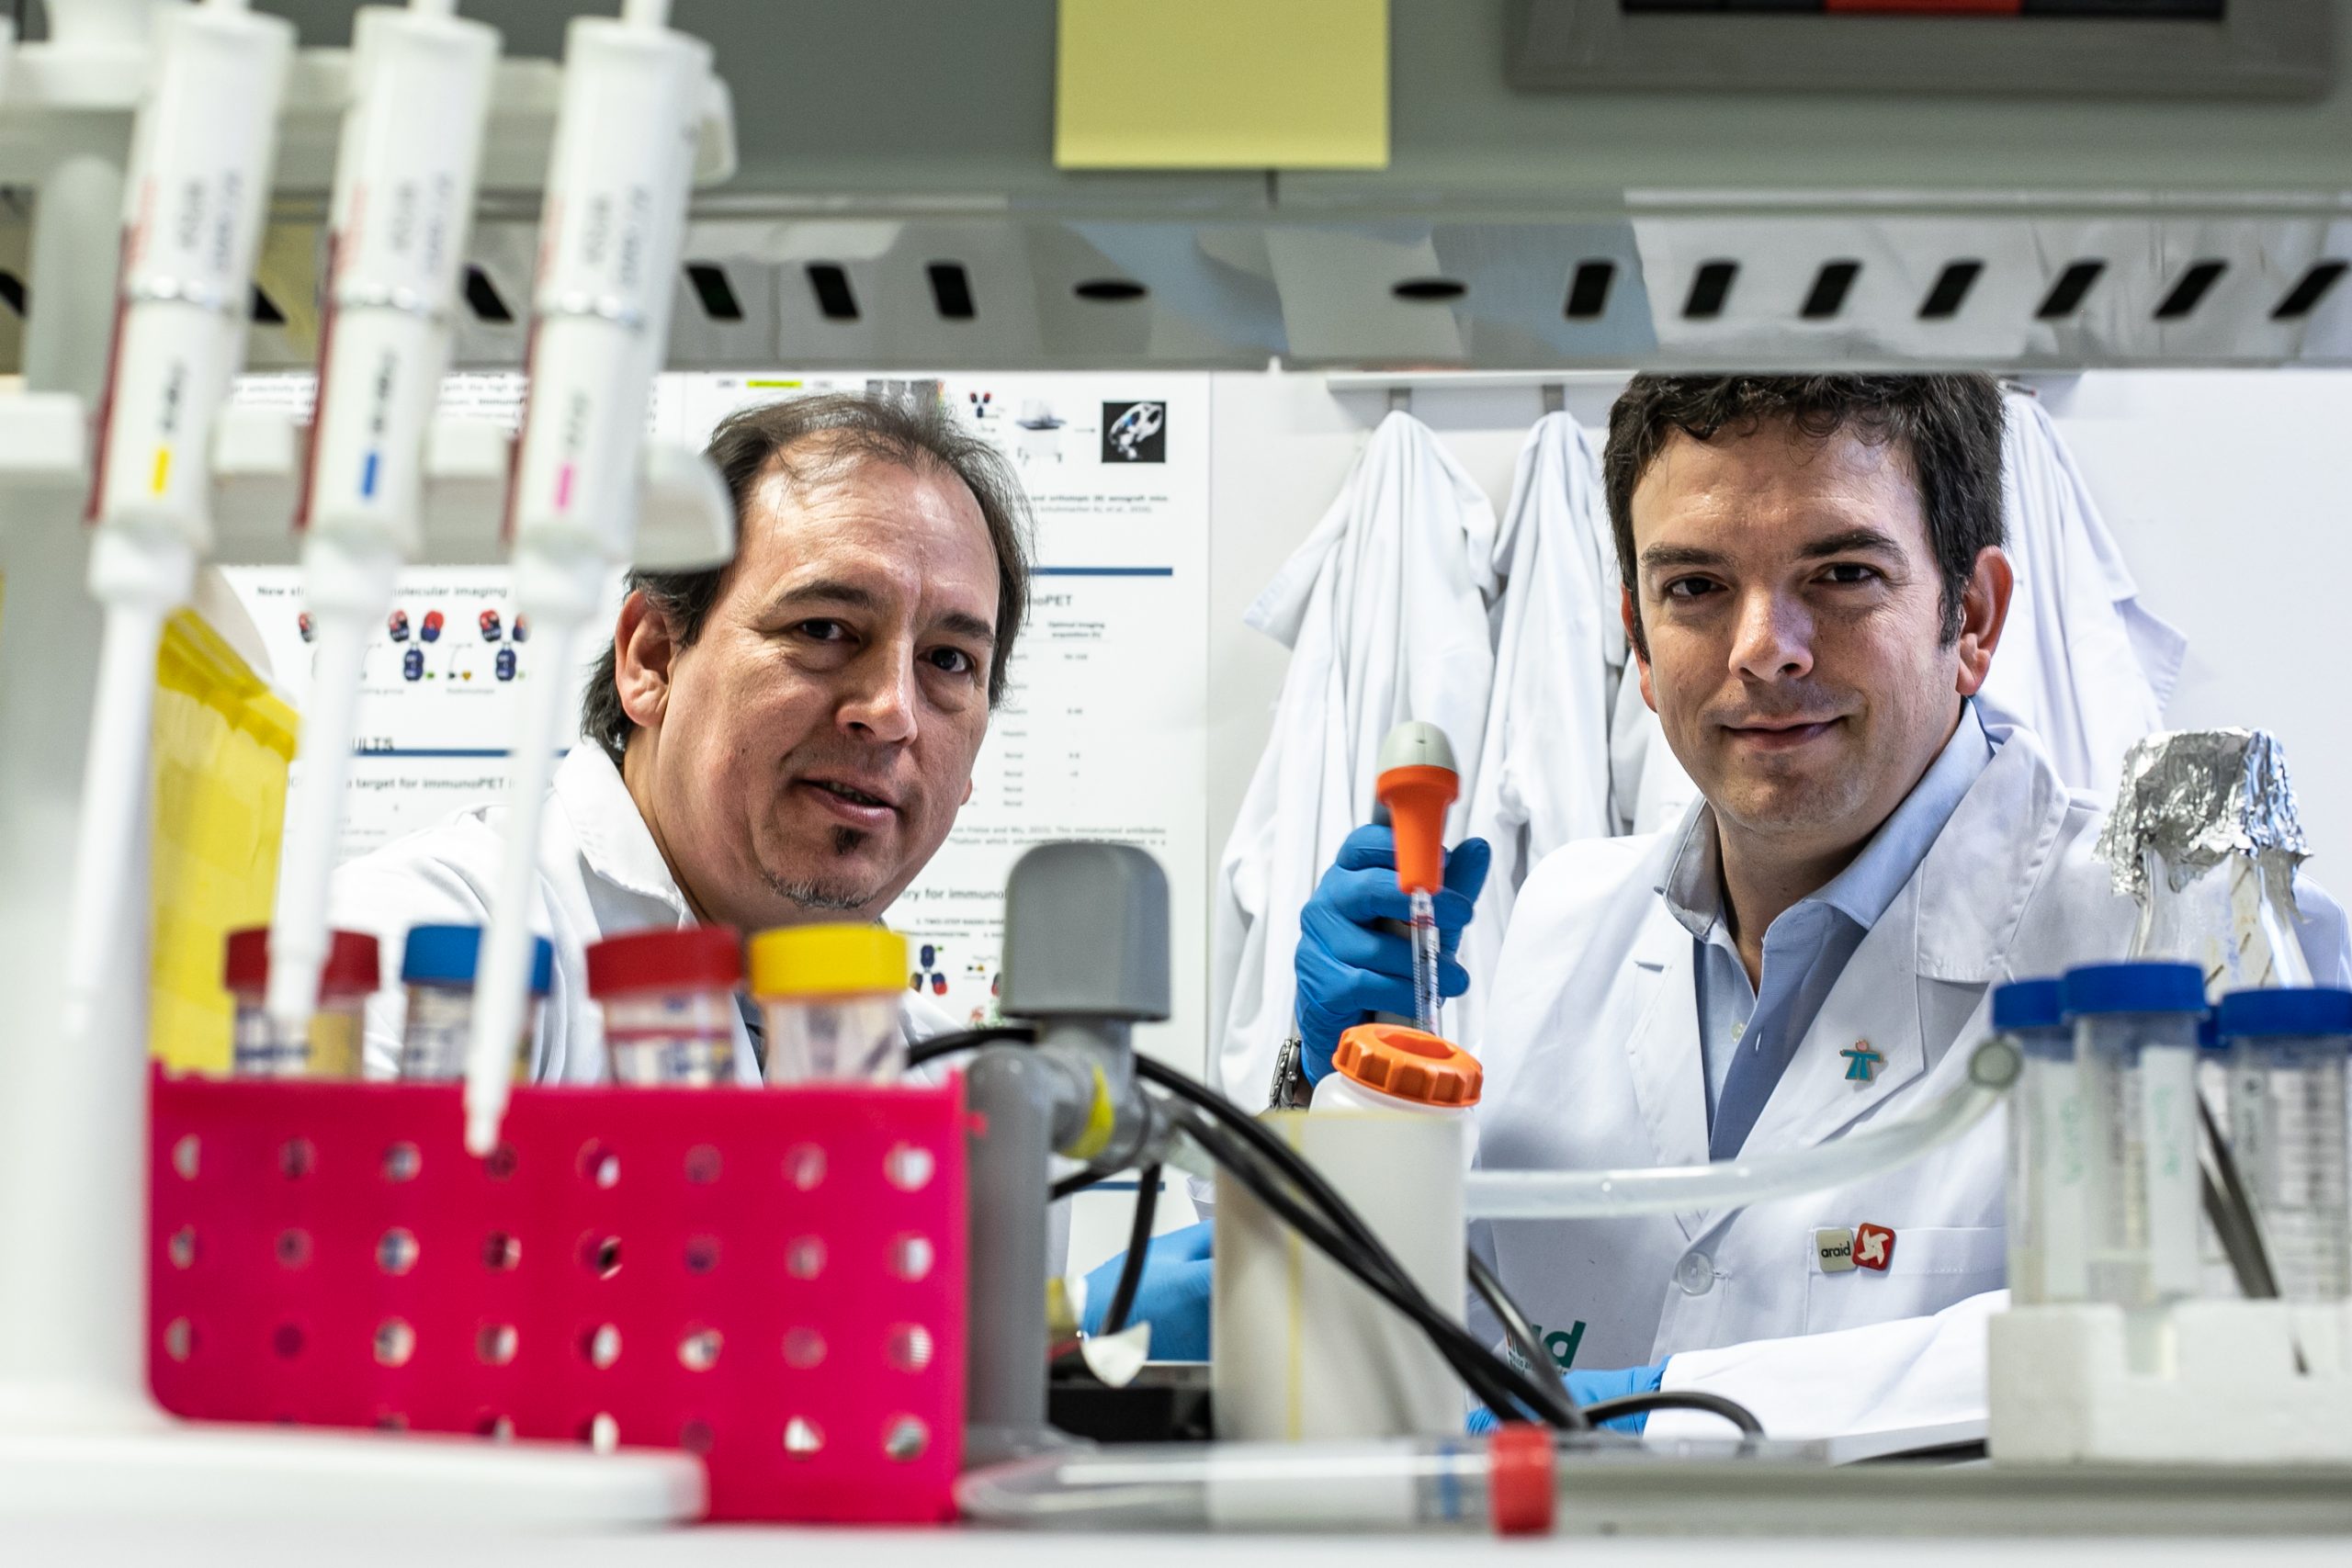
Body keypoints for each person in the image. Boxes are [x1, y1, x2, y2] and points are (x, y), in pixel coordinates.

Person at [1101, 373, 2346, 1439]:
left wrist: (1668, 1412)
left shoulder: (2187, 939)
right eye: (1695, 586)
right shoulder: (1561, 921)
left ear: (1969, 618)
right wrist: (1331, 1109)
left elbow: (2263, 1357)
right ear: (1639, 644)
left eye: (1842, 573)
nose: (1764, 647)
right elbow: (1429, 1340)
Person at [330, 392, 1033, 1080]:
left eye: (949, 661)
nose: (891, 711)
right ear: (654, 659)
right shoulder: (418, 946)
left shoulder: (952, 1079)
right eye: (822, 628)